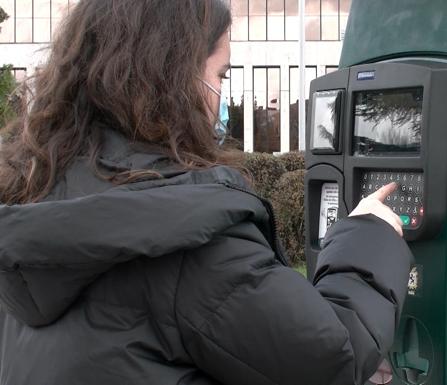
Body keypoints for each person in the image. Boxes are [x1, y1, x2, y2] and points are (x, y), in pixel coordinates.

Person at [0, 1, 412, 384]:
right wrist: (368, 235)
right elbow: (330, 354)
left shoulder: (36, 194)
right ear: (172, 79)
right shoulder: (182, 231)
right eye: (220, 75)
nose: (222, 97)